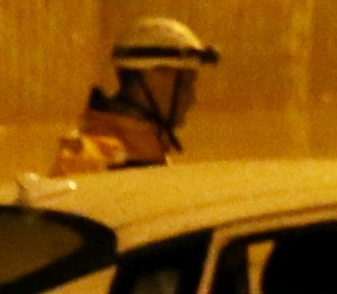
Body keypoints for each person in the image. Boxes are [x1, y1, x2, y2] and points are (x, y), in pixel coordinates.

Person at [50, 17, 219, 176]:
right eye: (185, 85)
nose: (192, 99)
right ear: (155, 77)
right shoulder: (88, 159)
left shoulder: (144, 151)